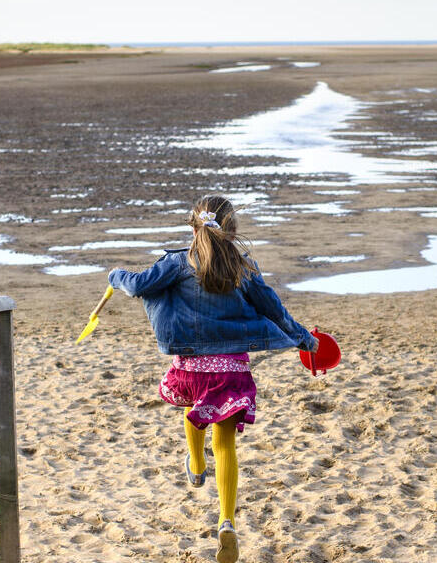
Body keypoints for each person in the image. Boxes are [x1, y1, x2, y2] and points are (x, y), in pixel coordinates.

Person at [108, 194, 317, 563]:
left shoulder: (178, 262)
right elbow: (273, 307)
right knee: (225, 443)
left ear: (194, 227)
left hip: (192, 366)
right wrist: (304, 337)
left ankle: (196, 464)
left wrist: (115, 276)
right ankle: (226, 523)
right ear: (232, 231)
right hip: (231, 369)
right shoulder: (244, 267)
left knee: (192, 409)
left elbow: (138, 285)